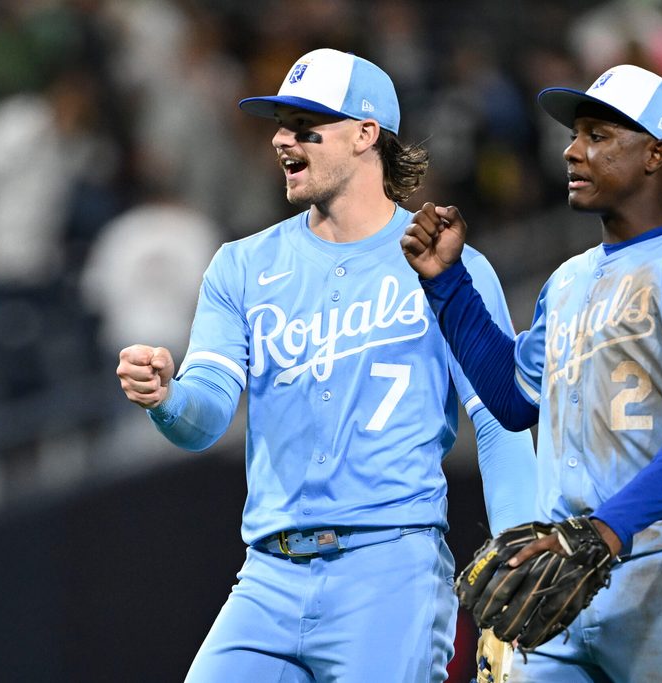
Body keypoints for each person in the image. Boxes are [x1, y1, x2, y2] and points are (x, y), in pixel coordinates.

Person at [115, 48, 537, 683]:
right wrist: (167, 398)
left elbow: (499, 422)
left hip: (389, 571)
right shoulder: (242, 266)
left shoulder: (446, 265)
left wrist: (518, 555)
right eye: (281, 124)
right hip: (267, 577)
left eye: (306, 124)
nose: (283, 139)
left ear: (367, 134)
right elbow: (204, 417)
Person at [402, 63, 662, 682]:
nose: (572, 150)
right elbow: (516, 400)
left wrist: (608, 530)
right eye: (576, 136)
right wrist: (449, 285)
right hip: (566, 580)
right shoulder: (568, 279)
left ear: (656, 153)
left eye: (598, 135)